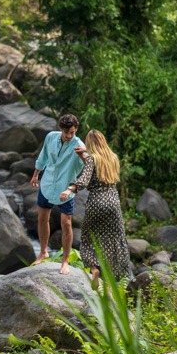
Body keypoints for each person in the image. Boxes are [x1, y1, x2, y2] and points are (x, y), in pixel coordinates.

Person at [60, 129, 133, 285]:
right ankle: (113, 276)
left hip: (96, 203)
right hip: (113, 203)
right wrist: (84, 156)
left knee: (88, 238)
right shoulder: (113, 158)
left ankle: (95, 269)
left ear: (90, 144)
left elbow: (84, 179)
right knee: (115, 239)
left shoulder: (93, 159)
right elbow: (98, 164)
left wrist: (69, 189)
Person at [31, 114, 86, 273]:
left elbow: (89, 164)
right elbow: (43, 157)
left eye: (72, 133)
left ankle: (65, 261)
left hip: (65, 189)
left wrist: (84, 153)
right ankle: (43, 252)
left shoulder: (78, 145)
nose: (69, 136)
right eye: (66, 132)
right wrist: (36, 175)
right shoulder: (50, 137)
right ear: (61, 129)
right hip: (47, 184)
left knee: (66, 223)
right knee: (42, 218)